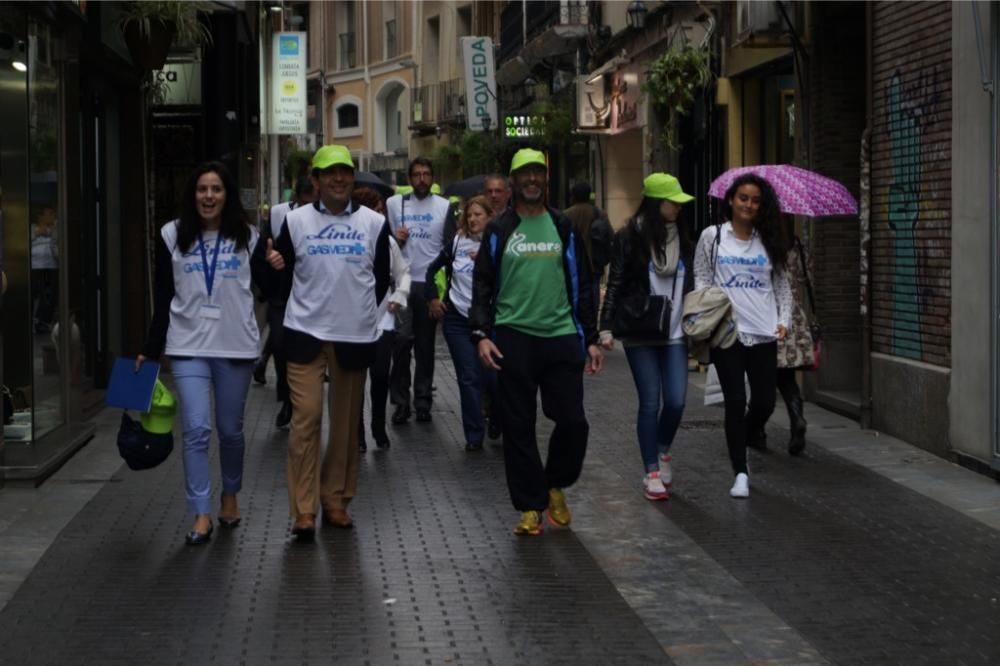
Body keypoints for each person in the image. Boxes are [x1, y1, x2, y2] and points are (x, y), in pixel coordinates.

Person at [264, 145, 396, 540]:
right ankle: (303, 510)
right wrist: (275, 269)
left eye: (345, 172)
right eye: (330, 173)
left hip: (353, 336)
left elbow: (381, 276)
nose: (339, 178)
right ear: (316, 180)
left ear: (352, 179)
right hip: (304, 333)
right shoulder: (296, 220)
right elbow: (279, 273)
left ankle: (335, 500)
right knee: (306, 419)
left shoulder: (373, 223)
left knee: (343, 428)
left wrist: (355, 311)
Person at [470, 148, 603, 536]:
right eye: (524, 174)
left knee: (573, 421)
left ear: (546, 179)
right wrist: (481, 334)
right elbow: (483, 284)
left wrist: (590, 337)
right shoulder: (499, 229)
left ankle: (554, 482)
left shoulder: (562, 226)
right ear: (512, 181)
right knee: (518, 425)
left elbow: (582, 282)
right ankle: (530, 506)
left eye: (538, 173)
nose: (532, 179)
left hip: (560, 334)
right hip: (513, 336)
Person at [137, 161, 268, 545]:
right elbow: (163, 296)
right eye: (201, 190)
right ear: (192, 195)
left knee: (230, 431)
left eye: (216, 190)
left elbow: (270, 287)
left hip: (235, 346)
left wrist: (278, 263)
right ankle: (200, 513)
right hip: (187, 345)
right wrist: (150, 347)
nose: (208, 196)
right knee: (196, 429)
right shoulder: (171, 236)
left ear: (226, 196)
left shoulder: (249, 237)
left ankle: (230, 494)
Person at [693, 173, 792, 499]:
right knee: (735, 401)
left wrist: (784, 320)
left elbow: (782, 286)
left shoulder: (769, 240)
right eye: (743, 198)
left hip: (763, 332)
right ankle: (740, 472)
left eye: (755, 200)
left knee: (763, 402)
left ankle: (745, 435)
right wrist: (704, 320)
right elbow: (702, 279)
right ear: (731, 200)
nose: (748, 204)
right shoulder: (713, 237)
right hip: (727, 333)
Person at [599, 173, 695, 501]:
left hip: (676, 333)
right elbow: (616, 282)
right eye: (673, 202)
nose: (679, 208)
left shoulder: (684, 237)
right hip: (641, 330)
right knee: (650, 402)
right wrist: (606, 326)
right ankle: (651, 470)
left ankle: (663, 449)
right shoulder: (630, 236)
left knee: (678, 400)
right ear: (657, 203)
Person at [386, 158, 455, 425]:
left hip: (428, 286)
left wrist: (442, 292)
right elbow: (384, 243)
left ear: (433, 177)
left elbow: (449, 248)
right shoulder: (395, 205)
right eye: (417, 174)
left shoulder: (444, 206)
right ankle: (400, 402)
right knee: (401, 344)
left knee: (426, 347)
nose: (422, 179)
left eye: (427, 174)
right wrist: (396, 239)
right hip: (401, 284)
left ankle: (423, 400)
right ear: (409, 178)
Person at [426, 195, 497, 451]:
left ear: (489, 217)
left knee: (494, 377)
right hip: (458, 319)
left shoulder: (497, 243)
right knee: (469, 376)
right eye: (469, 215)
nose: (473, 219)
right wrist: (433, 298)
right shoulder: (457, 242)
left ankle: (497, 418)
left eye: (478, 215)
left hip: (491, 319)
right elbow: (430, 270)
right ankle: (473, 435)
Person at [352, 186, 410, 452]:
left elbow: (403, 273)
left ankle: (377, 424)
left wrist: (399, 294)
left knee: (379, 375)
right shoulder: (351, 239)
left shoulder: (388, 242)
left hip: (382, 318)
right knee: (354, 380)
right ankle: (357, 432)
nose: (380, 214)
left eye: (381, 210)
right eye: (375, 209)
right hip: (351, 322)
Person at [257, 177, 317, 428]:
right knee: (280, 345)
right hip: (282, 296)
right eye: (302, 203)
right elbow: (269, 251)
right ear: (296, 200)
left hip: (312, 298)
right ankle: (287, 400)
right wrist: (271, 262)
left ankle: (299, 402)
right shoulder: (286, 219)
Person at [775, 220, 816, 456]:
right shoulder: (796, 245)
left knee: (763, 377)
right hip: (794, 319)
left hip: (769, 317)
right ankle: (797, 418)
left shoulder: (761, 244)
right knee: (788, 378)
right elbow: (805, 277)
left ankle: (756, 428)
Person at [563, 181, 612, 311]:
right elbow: (610, 236)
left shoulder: (565, 215)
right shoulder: (599, 213)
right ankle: (593, 318)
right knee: (593, 291)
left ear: (573, 195)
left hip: (573, 262)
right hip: (594, 262)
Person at [30, 206, 59, 334]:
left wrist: (50, 231)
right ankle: (33, 320)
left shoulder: (56, 228)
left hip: (50, 265)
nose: (53, 216)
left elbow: (58, 242)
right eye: (50, 214)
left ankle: (42, 321)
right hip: (34, 266)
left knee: (48, 295)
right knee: (35, 293)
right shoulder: (31, 228)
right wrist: (37, 232)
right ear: (41, 216)